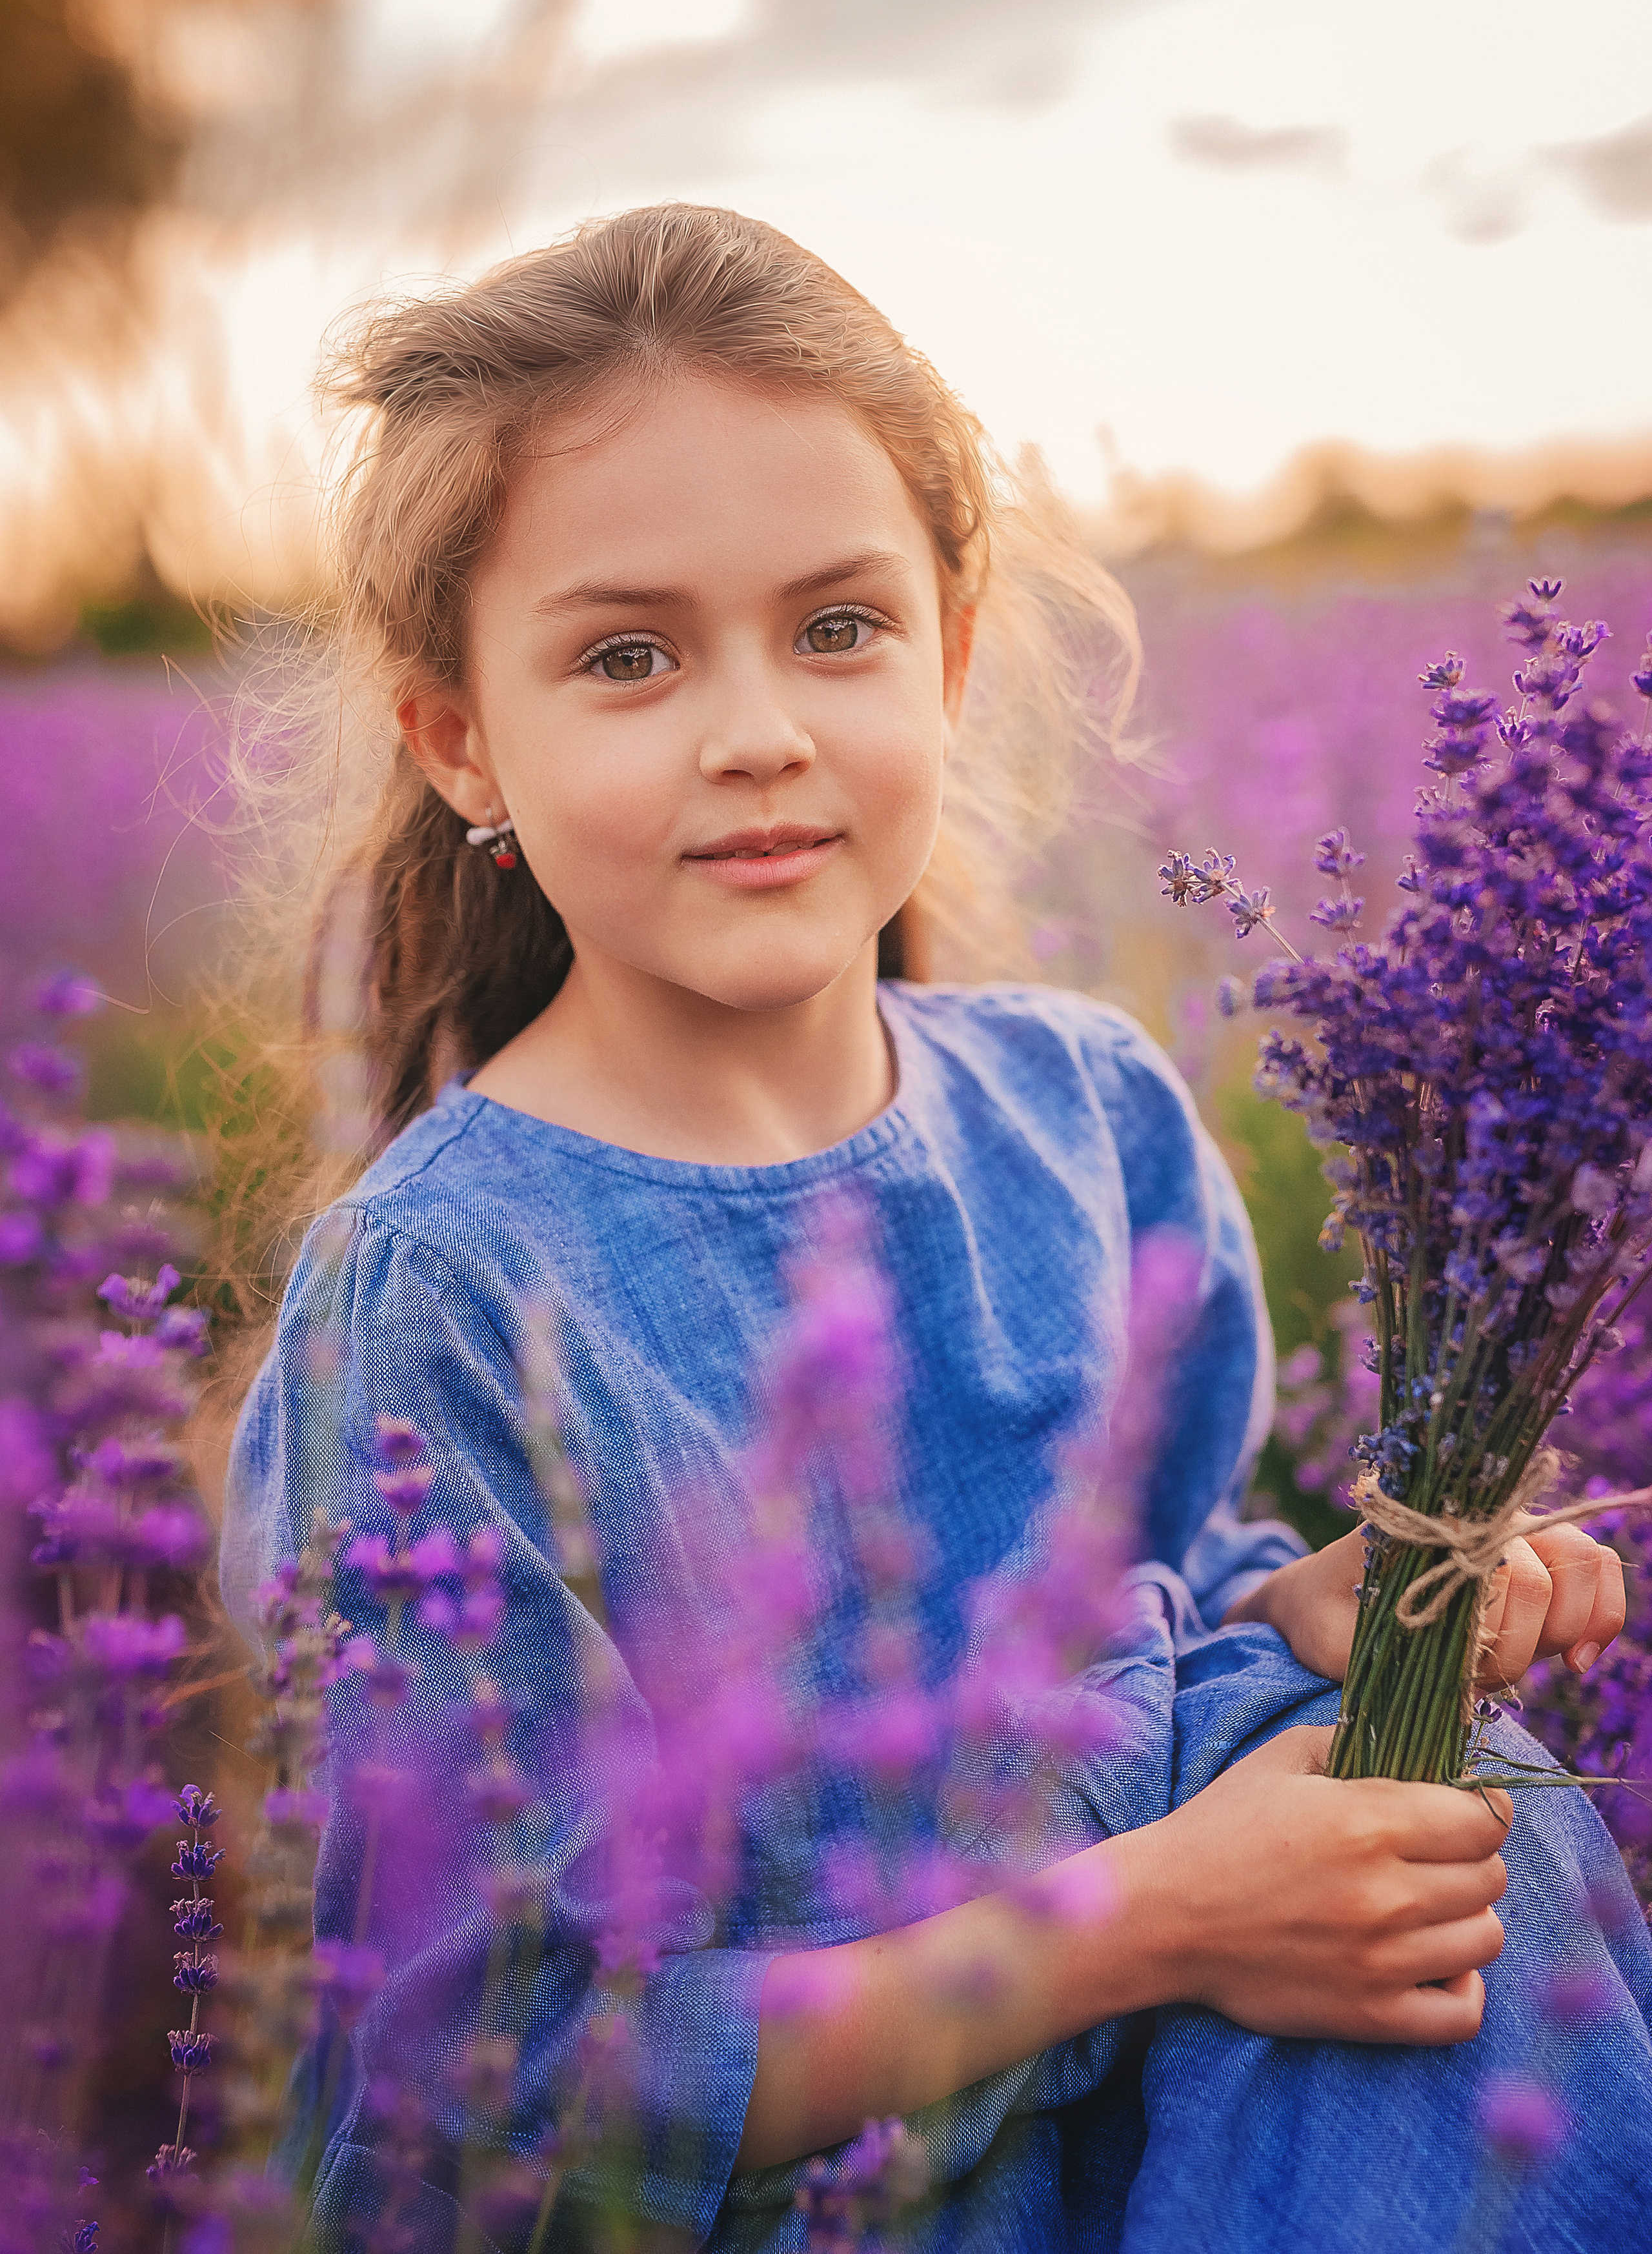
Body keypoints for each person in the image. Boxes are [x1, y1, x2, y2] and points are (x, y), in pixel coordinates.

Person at [221, 205, 1652, 2253]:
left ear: (952, 655)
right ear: (460, 738)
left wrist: (1315, 1614)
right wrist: (1137, 1924)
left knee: (1462, 1833)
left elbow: (1143, 1616)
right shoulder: (441, 1303)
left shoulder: (1088, 1118)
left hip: (1189, 2141)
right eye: (628, 656)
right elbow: (484, 2110)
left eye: (839, 629)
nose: (759, 731)